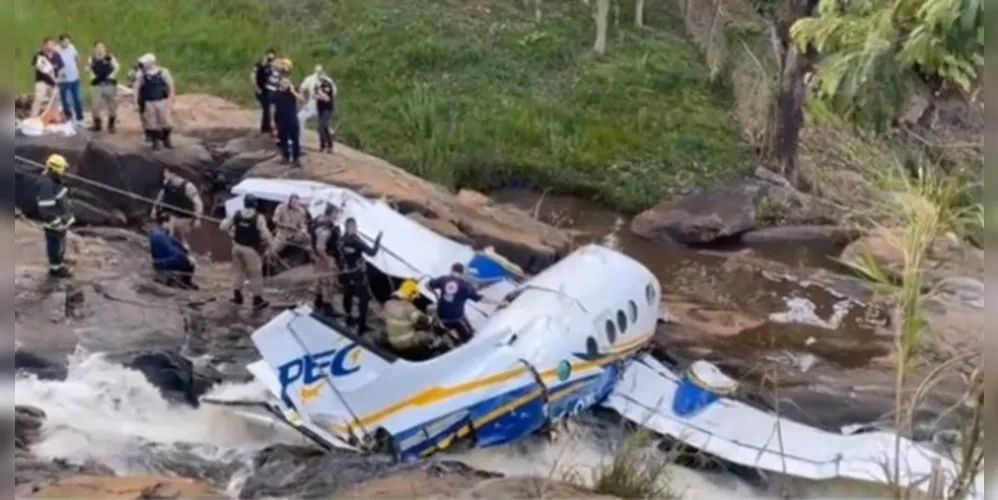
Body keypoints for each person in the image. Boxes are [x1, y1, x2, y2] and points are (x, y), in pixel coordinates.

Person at [427, 263, 504, 344]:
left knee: (443, 318)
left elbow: (428, 285)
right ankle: (465, 343)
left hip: (441, 316)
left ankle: (438, 334)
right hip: (455, 318)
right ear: (463, 273)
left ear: (451, 270)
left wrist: (437, 296)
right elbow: (481, 299)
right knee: (470, 338)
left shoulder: (443, 279)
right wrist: (500, 303)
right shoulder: (467, 286)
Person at [220, 194, 273, 311]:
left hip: (237, 247)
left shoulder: (236, 214)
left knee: (238, 272)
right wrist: (271, 244)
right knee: (255, 274)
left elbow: (223, 227)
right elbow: (265, 234)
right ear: (255, 204)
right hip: (250, 249)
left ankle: (237, 296)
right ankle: (257, 299)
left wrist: (232, 230)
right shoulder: (259, 217)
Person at [338, 217, 382, 332]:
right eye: (352, 227)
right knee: (364, 298)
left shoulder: (341, 240)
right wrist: (378, 240)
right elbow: (372, 253)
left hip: (345, 272)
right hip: (357, 273)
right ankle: (361, 326)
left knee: (348, 295)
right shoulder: (356, 241)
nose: (353, 229)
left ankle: (348, 318)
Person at [36, 154, 75, 279]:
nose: (64, 172)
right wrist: (57, 222)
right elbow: (46, 209)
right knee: (55, 246)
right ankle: (56, 269)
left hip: (60, 224)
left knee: (60, 245)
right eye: (62, 169)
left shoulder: (54, 181)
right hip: (54, 226)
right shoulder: (46, 185)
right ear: (55, 169)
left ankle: (60, 263)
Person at [384, 279, 444, 356]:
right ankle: (432, 353)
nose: (415, 298)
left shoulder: (388, 303)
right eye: (414, 295)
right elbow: (423, 321)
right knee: (427, 336)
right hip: (403, 342)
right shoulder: (408, 308)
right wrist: (432, 319)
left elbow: (404, 318)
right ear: (410, 293)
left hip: (392, 339)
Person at [151, 170, 203, 249]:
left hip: (183, 217)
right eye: (164, 172)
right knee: (165, 228)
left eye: (167, 172)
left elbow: (198, 203)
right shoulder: (167, 183)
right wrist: (154, 208)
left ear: (174, 174)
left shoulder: (188, 186)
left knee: (179, 238)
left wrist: (197, 218)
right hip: (168, 213)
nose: (164, 174)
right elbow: (160, 195)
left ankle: (182, 250)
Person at [133, 53, 176, 149]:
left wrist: (171, 98)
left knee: (166, 122)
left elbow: (170, 85)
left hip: (162, 101)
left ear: (152, 62)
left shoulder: (163, 72)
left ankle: (166, 138)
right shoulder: (141, 74)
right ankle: (155, 141)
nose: (143, 65)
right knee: (151, 123)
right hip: (149, 102)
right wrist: (135, 101)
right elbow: (136, 88)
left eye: (145, 63)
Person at [148, 213, 198, 290]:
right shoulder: (159, 235)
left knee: (186, 258)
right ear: (165, 223)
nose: (172, 225)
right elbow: (172, 251)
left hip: (163, 262)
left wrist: (183, 248)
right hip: (162, 264)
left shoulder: (162, 233)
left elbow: (173, 245)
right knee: (186, 261)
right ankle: (182, 283)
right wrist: (186, 258)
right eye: (171, 223)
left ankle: (183, 282)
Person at [310, 203, 342, 315]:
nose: (338, 215)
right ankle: (327, 307)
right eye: (336, 213)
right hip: (325, 257)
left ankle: (318, 303)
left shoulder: (318, 220)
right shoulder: (326, 228)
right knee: (328, 283)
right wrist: (329, 261)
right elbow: (320, 247)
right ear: (331, 213)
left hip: (318, 257)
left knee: (320, 281)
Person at [88, 41, 120, 133]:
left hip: (109, 83)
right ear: (95, 49)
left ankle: (111, 125)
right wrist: (92, 76)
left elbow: (117, 67)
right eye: (98, 47)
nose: (100, 49)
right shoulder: (92, 58)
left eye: (102, 47)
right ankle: (97, 124)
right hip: (97, 84)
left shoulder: (110, 57)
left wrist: (111, 76)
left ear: (105, 48)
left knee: (112, 105)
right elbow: (90, 69)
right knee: (95, 106)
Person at [272, 75, 303, 167]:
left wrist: (293, 91)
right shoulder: (276, 94)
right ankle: (285, 156)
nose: (285, 84)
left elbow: (302, 100)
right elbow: (272, 108)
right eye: (283, 82)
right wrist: (272, 121)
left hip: (292, 118)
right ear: (280, 83)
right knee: (283, 139)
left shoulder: (292, 93)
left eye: (287, 83)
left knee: (295, 139)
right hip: (280, 119)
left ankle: (296, 158)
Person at [29, 38, 64, 118]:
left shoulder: (57, 55)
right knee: (39, 98)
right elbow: (33, 66)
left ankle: (52, 117)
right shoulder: (39, 55)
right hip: (42, 81)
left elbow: (61, 68)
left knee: (56, 99)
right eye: (49, 44)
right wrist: (38, 67)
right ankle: (32, 118)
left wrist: (58, 78)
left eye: (52, 44)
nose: (51, 46)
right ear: (44, 45)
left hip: (53, 82)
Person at [56, 34, 84, 125]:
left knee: (76, 97)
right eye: (65, 42)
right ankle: (68, 116)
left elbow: (77, 58)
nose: (67, 43)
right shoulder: (56, 50)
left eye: (68, 41)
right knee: (64, 99)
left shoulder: (72, 47)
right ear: (60, 42)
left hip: (74, 77)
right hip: (63, 79)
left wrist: (79, 68)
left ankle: (80, 117)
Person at [251, 48, 279, 134]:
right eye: (269, 57)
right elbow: (253, 76)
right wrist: (256, 87)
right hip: (262, 89)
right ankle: (265, 129)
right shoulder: (259, 64)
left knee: (271, 109)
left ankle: (270, 129)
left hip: (271, 89)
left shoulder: (275, 66)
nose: (270, 60)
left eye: (272, 58)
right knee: (267, 109)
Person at [297, 64, 331, 132]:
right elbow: (302, 88)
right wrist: (301, 96)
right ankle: (299, 139)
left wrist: (321, 96)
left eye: (320, 71)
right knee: (299, 117)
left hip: (324, 106)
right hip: (312, 105)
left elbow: (332, 94)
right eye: (317, 71)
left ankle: (327, 131)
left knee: (324, 124)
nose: (318, 73)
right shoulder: (310, 79)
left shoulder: (328, 80)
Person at [314, 71, 337, 153]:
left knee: (321, 126)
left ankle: (325, 146)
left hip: (327, 109)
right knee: (324, 127)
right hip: (320, 108)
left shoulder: (327, 85)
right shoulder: (318, 86)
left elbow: (327, 99)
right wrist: (319, 95)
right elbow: (315, 96)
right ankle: (326, 146)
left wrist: (320, 94)